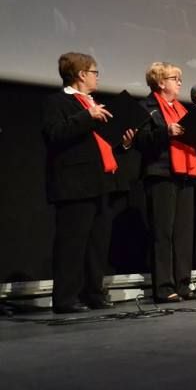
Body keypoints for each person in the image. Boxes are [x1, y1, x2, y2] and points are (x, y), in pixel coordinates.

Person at [42, 52, 135, 313]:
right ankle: (65, 298)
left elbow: (100, 144)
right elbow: (55, 133)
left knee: (97, 244)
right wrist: (87, 116)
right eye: (95, 72)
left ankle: (93, 292)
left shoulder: (93, 103)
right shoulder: (57, 101)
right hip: (74, 185)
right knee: (72, 244)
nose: (97, 77)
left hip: (100, 183)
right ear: (81, 74)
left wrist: (124, 143)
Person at [134, 62, 196, 303]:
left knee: (183, 233)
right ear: (161, 82)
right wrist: (167, 132)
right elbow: (140, 142)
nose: (180, 83)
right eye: (175, 78)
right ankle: (164, 287)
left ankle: (182, 284)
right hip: (161, 173)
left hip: (185, 173)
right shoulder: (146, 107)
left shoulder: (182, 109)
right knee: (163, 233)